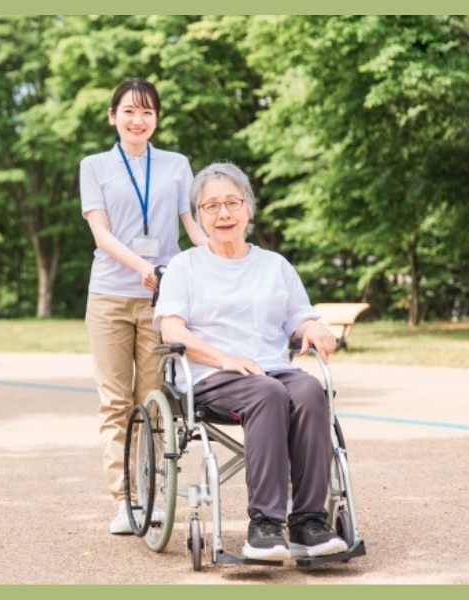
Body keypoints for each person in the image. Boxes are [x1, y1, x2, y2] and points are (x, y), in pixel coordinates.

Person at [153, 162, 347, 560]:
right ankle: (264, 525)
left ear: (248, 209)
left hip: (271, 368)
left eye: (232, 203)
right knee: (268, 393)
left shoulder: (275, 265)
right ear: (198, 216)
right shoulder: (184, 267)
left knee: (310, 390)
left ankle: (309, 522)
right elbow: (172, 330)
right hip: (211, 373)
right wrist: (224, 358)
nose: (223, 213)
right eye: (211, 206)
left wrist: (313, 328)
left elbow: (300, 316)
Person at [80, 78, 208, 535]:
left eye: (148, 112)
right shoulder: (94, 166)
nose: (139, 121)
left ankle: (151, 495)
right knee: (115, 403)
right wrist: (144, 266)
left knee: (154, 402)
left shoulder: (176, 165)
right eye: (130, 112)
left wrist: (214, 255)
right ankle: (124, 501)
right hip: (111, 297)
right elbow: (101, 233)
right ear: (113, 116)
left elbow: (192, 221)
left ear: (157, 118)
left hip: (163, 298)